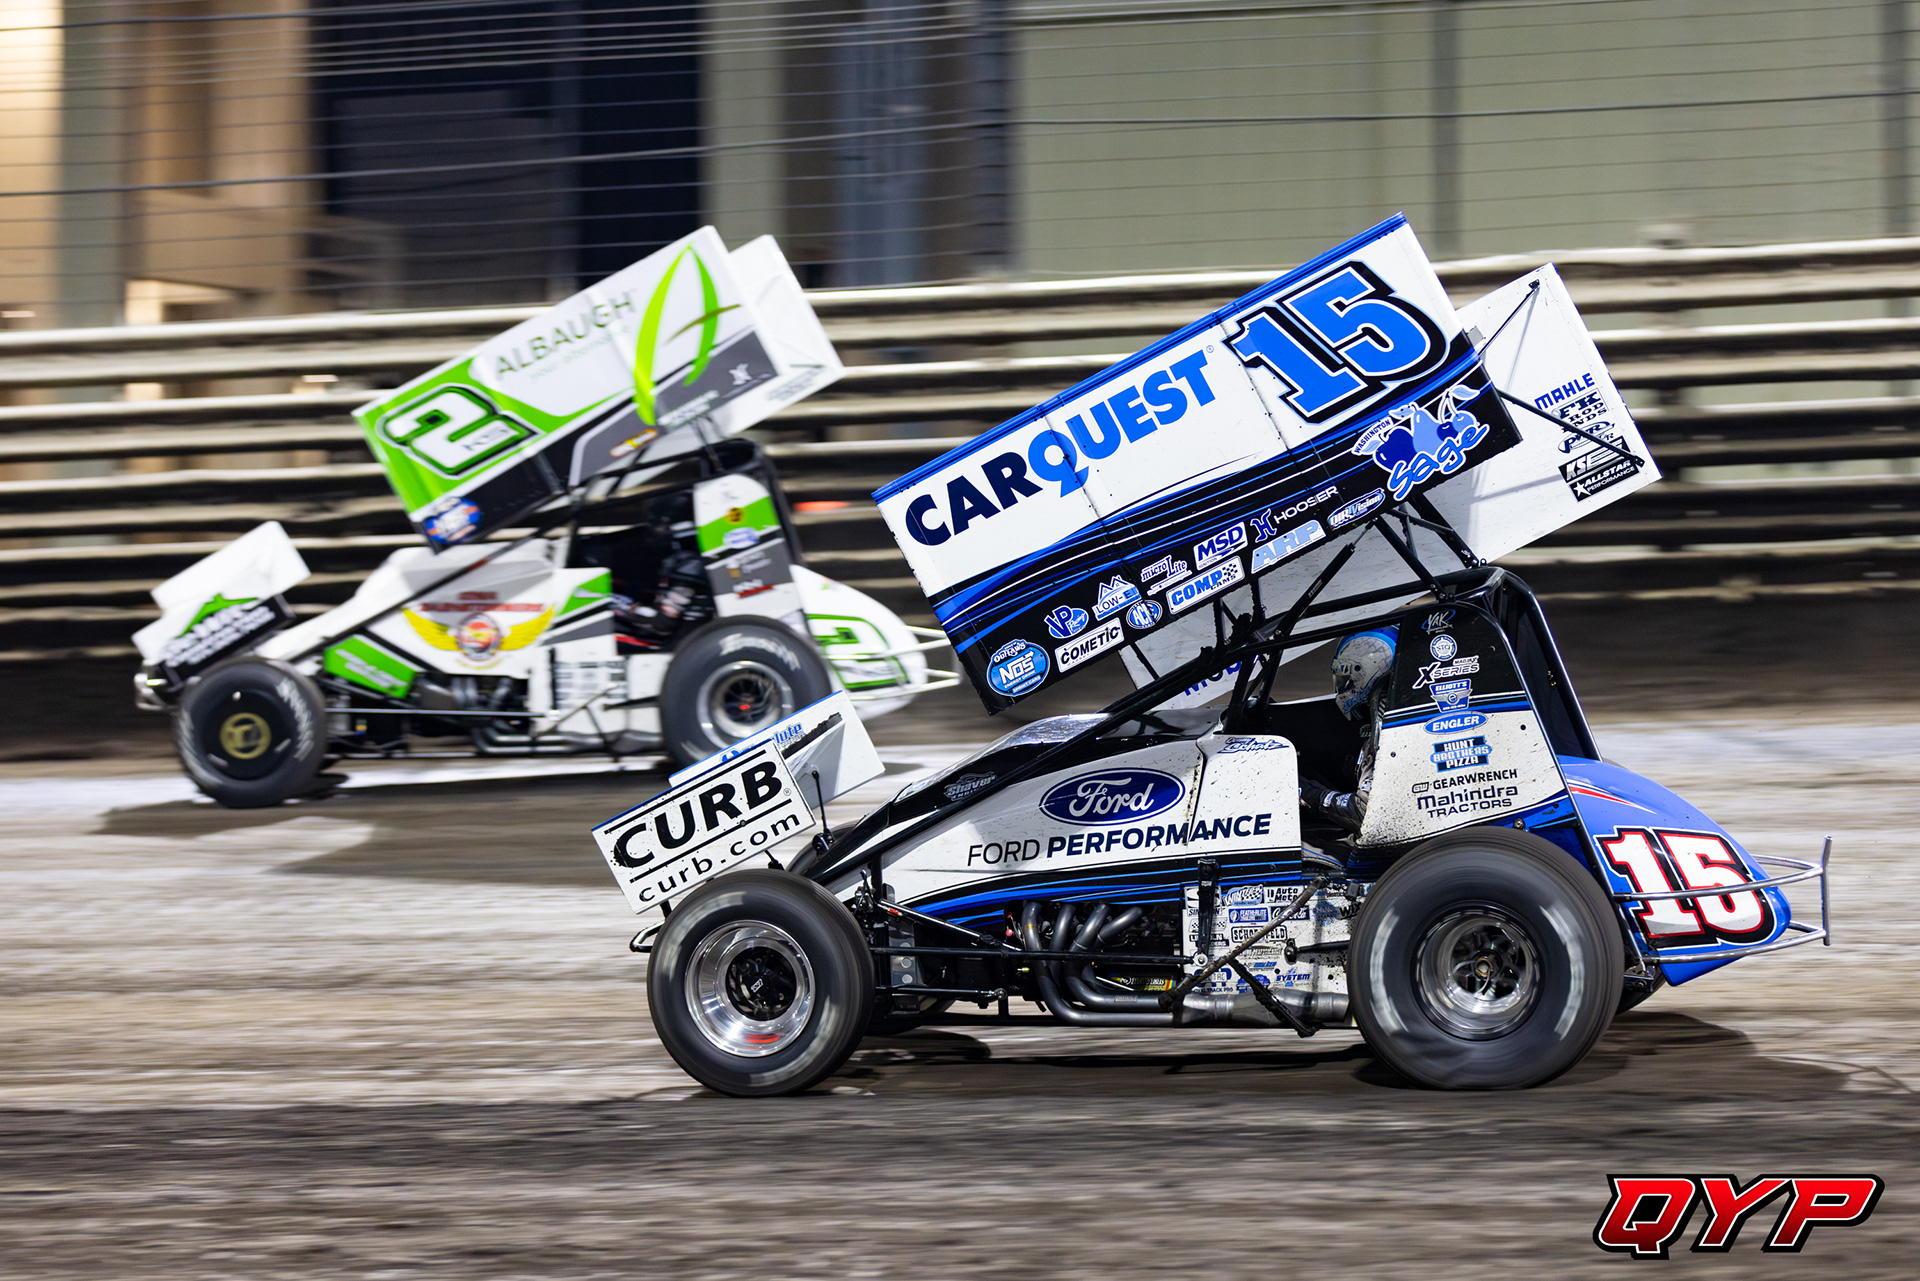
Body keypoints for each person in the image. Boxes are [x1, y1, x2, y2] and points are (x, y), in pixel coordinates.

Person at [1298, 628, 1397, 863]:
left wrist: (1314, 795)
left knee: (1292, 850)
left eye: (1344, 678)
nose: (1341, 688)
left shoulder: (1387, 731)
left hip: (1390, 854)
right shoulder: (1393, 717)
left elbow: (1368, 814)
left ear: (1362, 672)